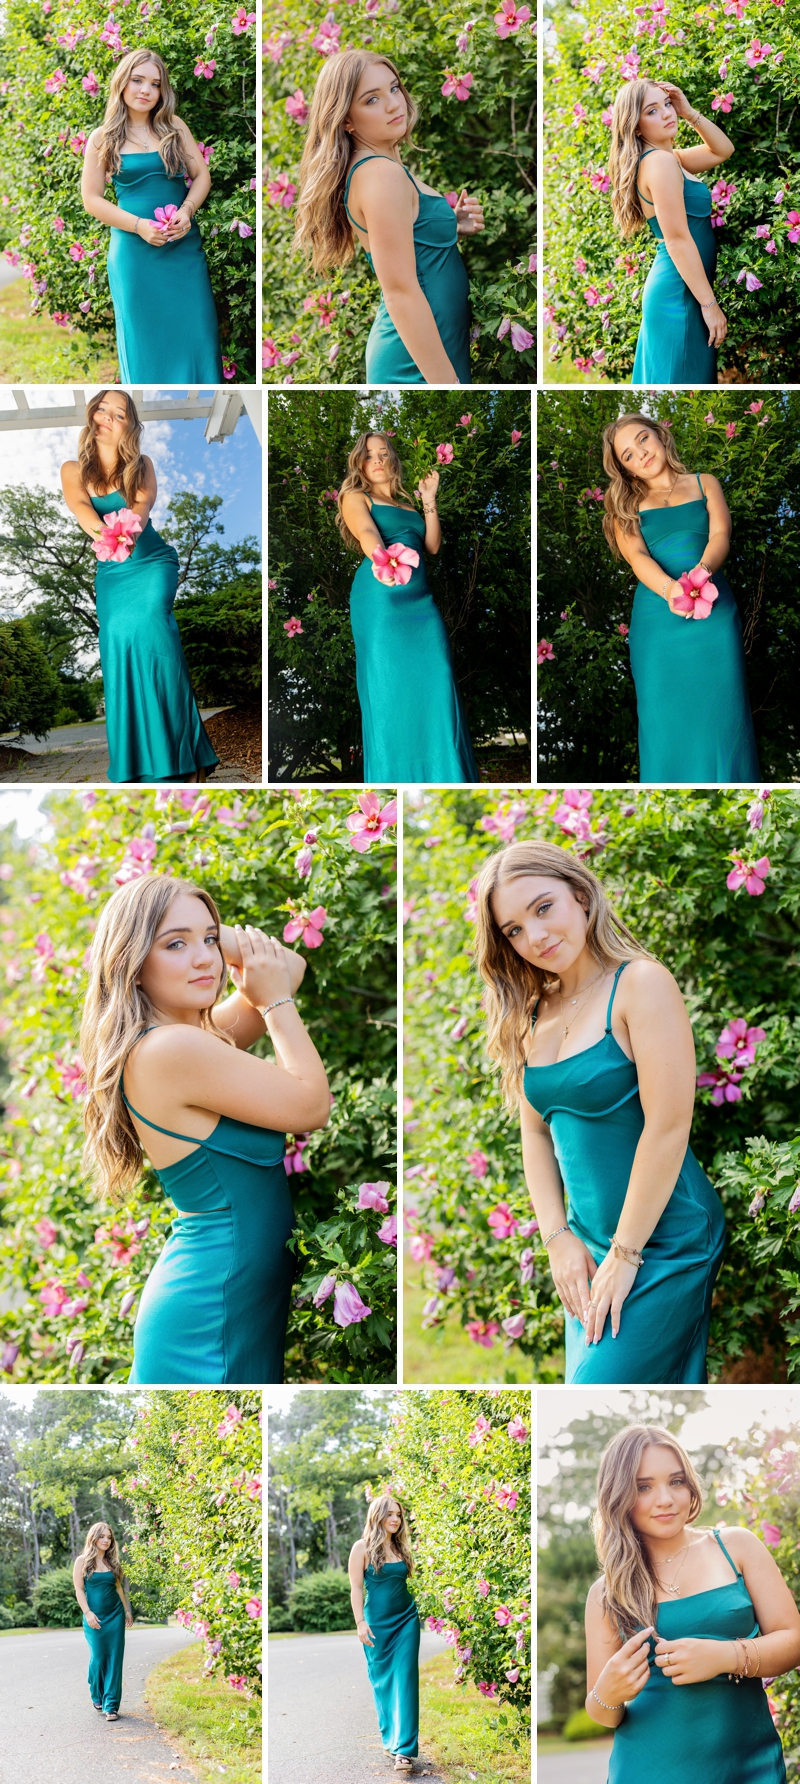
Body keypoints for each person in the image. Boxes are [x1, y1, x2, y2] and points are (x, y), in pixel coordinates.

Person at [473, 839, 726, 1385]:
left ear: (581, 896)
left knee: (596, 1388)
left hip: (665, 1238)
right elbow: (536, 1135)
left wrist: (626, 1254)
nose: (535, 937)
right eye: (513, 930)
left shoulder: (640, 983)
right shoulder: (532, 1011)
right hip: (588, 1248)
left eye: (544, 908)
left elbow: (668, 1127)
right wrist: (557, 1237)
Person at [80, 873, 330, 1384]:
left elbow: (292, 967)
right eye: (175, 943)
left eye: (208, 941)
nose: (203, 959)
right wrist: (274, 1001)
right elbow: (311, 1106)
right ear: (131, 961)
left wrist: (219, 939)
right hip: (208, 1313)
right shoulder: (170, 1050)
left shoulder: (185, 1038)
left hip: (229, 1299)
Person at [584, 1425, 800, 1781]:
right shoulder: (607, 1593)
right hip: (648, 1771)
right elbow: (604, 1712)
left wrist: (723, 1656)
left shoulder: (737, 1547)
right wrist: (607, 1693)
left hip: (749, 1765)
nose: (665, 1498)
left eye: (677, 1481)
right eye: (643, 1487)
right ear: (618, 1495)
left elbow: (793, 1640)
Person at [294, 50, 484, 384]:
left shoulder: (380, 167)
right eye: (372, 99)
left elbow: (409, 239)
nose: (394, 104)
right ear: (346, 119)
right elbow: (399, 290)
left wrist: (448, 225)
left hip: (432, 347)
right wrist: (448, 386)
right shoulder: (380, 174)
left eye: (394, 88)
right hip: (417, 361)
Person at [61, 388, 220, 784]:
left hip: (150, 561)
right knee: (118, 642)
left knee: (154, 634)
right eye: (102, 408)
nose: (108, 416)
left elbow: (141, 509)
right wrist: (106, 535)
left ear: (129, 424)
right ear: (91, 414)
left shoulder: (141, 464)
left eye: (119, 412)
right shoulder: (72, 469)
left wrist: (125, 535)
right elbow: (81, 508)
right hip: (112, 571)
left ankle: (186, 755)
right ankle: (137, 761)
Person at [601, 412, 759, 782]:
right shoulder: (625, 505)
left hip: (714, 613)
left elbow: (721, 534)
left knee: (723, 716)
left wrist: (702, 573)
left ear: (659, 435)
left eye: (642, 439)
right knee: (665, 725)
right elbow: (637, 557)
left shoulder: (705, 483)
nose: (640, 453)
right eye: (627, 455)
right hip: (659, 624)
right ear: (625, 470)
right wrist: (673, 590)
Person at [338, 431, 478, 780]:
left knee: (438, 683)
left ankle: (447, 776)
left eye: (384, 453)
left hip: (421, 604)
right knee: (389, 692)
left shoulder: (408, 505)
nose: (378, 459)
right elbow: (367, 533)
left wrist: (429, 498)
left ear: (393, 459)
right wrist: (381, 561)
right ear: (360, 464)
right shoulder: (356, 496)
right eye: (370, 455)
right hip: (382, 600)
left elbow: (431, 545)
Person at [81, 48, 223, 380]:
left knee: (197, 336)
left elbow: (201, 176)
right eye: (138, 80)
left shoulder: (173, 127)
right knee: (144, 343)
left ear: (163, 91)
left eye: (155, 84)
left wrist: (187, 210)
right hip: (135, 255)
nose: (146, 90)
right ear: (122, 83)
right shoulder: (103, 138)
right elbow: (91, 199)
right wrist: (140, 225)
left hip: (182, 248)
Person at [608, 79, 733, 384]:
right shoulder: (660, 162)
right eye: (652, 110)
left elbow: (723, 150)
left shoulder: (670, 159)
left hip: (685, 290)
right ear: (635, 126)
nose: (666, 114)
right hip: (679, 295)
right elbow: (677, 240)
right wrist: (710, 305)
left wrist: (688, 111)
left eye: (667, 104)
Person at [349, 1494, 420, 1772]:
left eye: (399, 1514)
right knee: (382, 1682)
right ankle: (390, 1738)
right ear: (376, 1515)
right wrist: (360, 1622)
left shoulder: (402, 1548)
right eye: (390, 1514)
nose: (395, 1519)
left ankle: (404, 1750)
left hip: (406, 1621)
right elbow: (356, 1588)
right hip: (376, 1625)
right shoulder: (362, 1547)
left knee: (405, 1679)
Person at [72, 1521, 133, 1722]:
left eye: (109, 1537)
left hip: (115, 1615)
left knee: (115, 1659)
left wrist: (126, 1610)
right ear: (94, 1537)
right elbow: (79, 1590)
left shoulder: (113, 1563)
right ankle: (96, 1693)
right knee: (98, 1658)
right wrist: (88, 1612)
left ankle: (111, 1705)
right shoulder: (82, 1561)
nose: (106, 1540)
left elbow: (118, 1589)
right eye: (102, 1536)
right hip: (94, 1617)